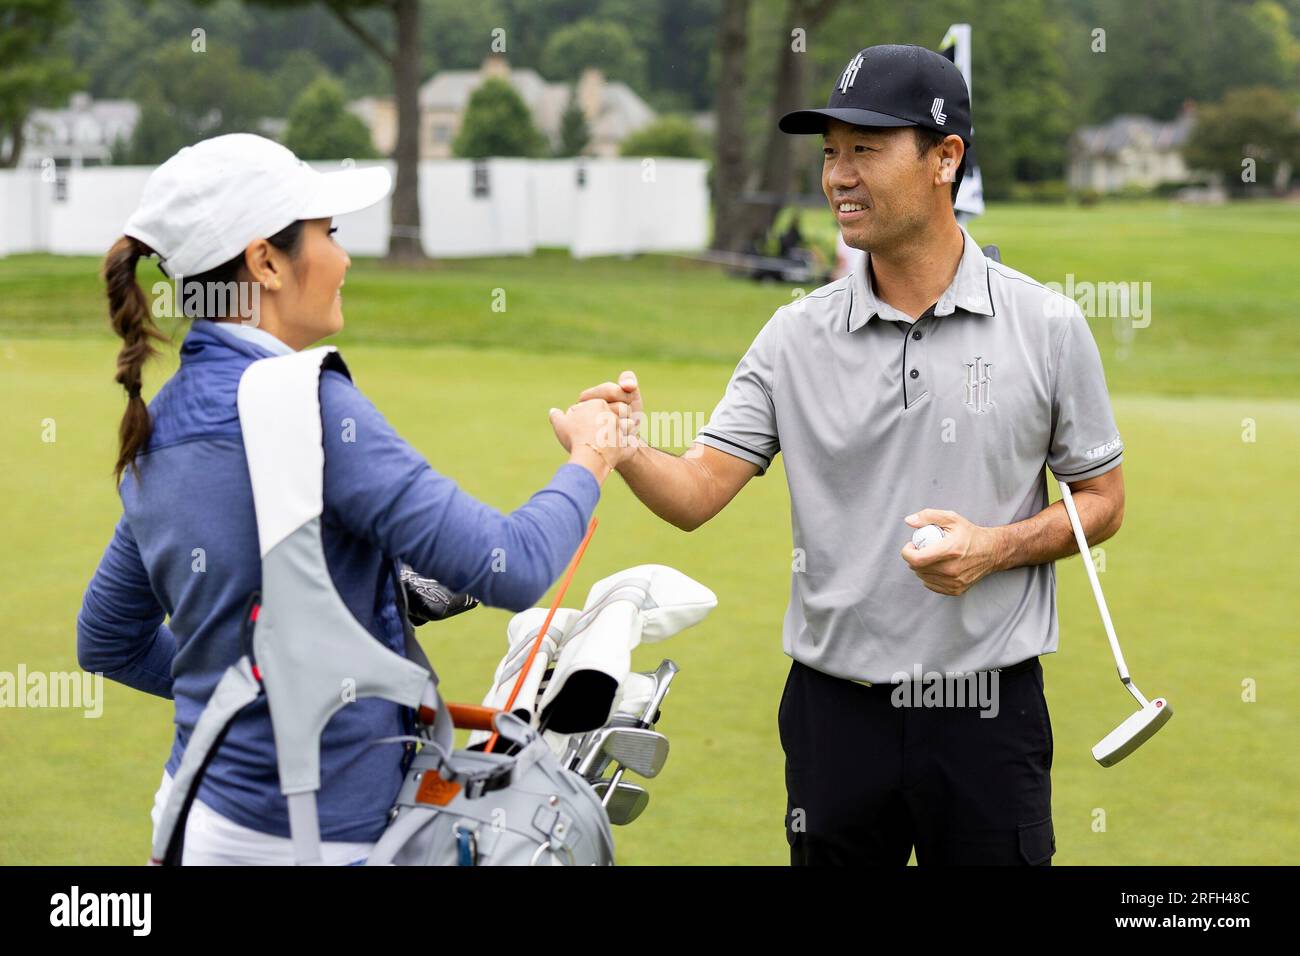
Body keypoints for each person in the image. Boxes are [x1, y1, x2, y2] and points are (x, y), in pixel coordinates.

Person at [577, 45, 1126, 865]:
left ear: (945, 160)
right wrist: (625, 450)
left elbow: (1102, 500)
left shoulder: (1046, 326)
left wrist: (994, 547)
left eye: (866, 149)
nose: (839, 175)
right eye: (831, 151)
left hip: (988, 715)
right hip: (835, 717)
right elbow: (695, 494)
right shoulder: (792, 335)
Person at [76, 133, 634, 865]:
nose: (343, 258)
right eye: (329, 234)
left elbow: (107, 639)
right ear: (266, 261)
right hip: (320, 842)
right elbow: (516, 565)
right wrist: (593, 453)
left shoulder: (158, 424)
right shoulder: (309, 402)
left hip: (191, 827)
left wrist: (266, 690)